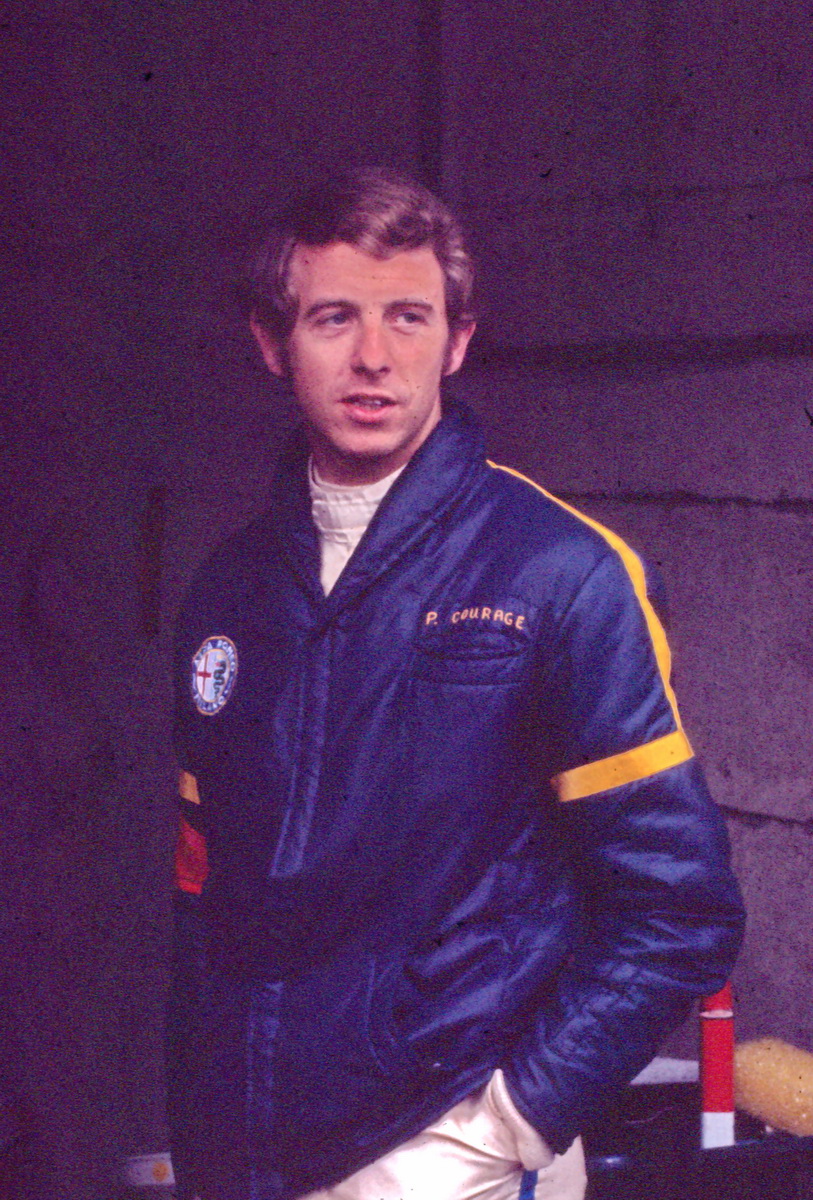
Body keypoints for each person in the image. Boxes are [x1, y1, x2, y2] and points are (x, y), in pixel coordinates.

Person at [167, 168, 745, 1200]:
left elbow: (679, 910)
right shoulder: (228, 591)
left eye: (409, 316)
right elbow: (204, 901)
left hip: (447, 1151)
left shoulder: (558, 573)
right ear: (272, 342)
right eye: (334, 317)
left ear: (459, 340)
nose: (374, 356)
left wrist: (498, 1134)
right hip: (249, 1162)